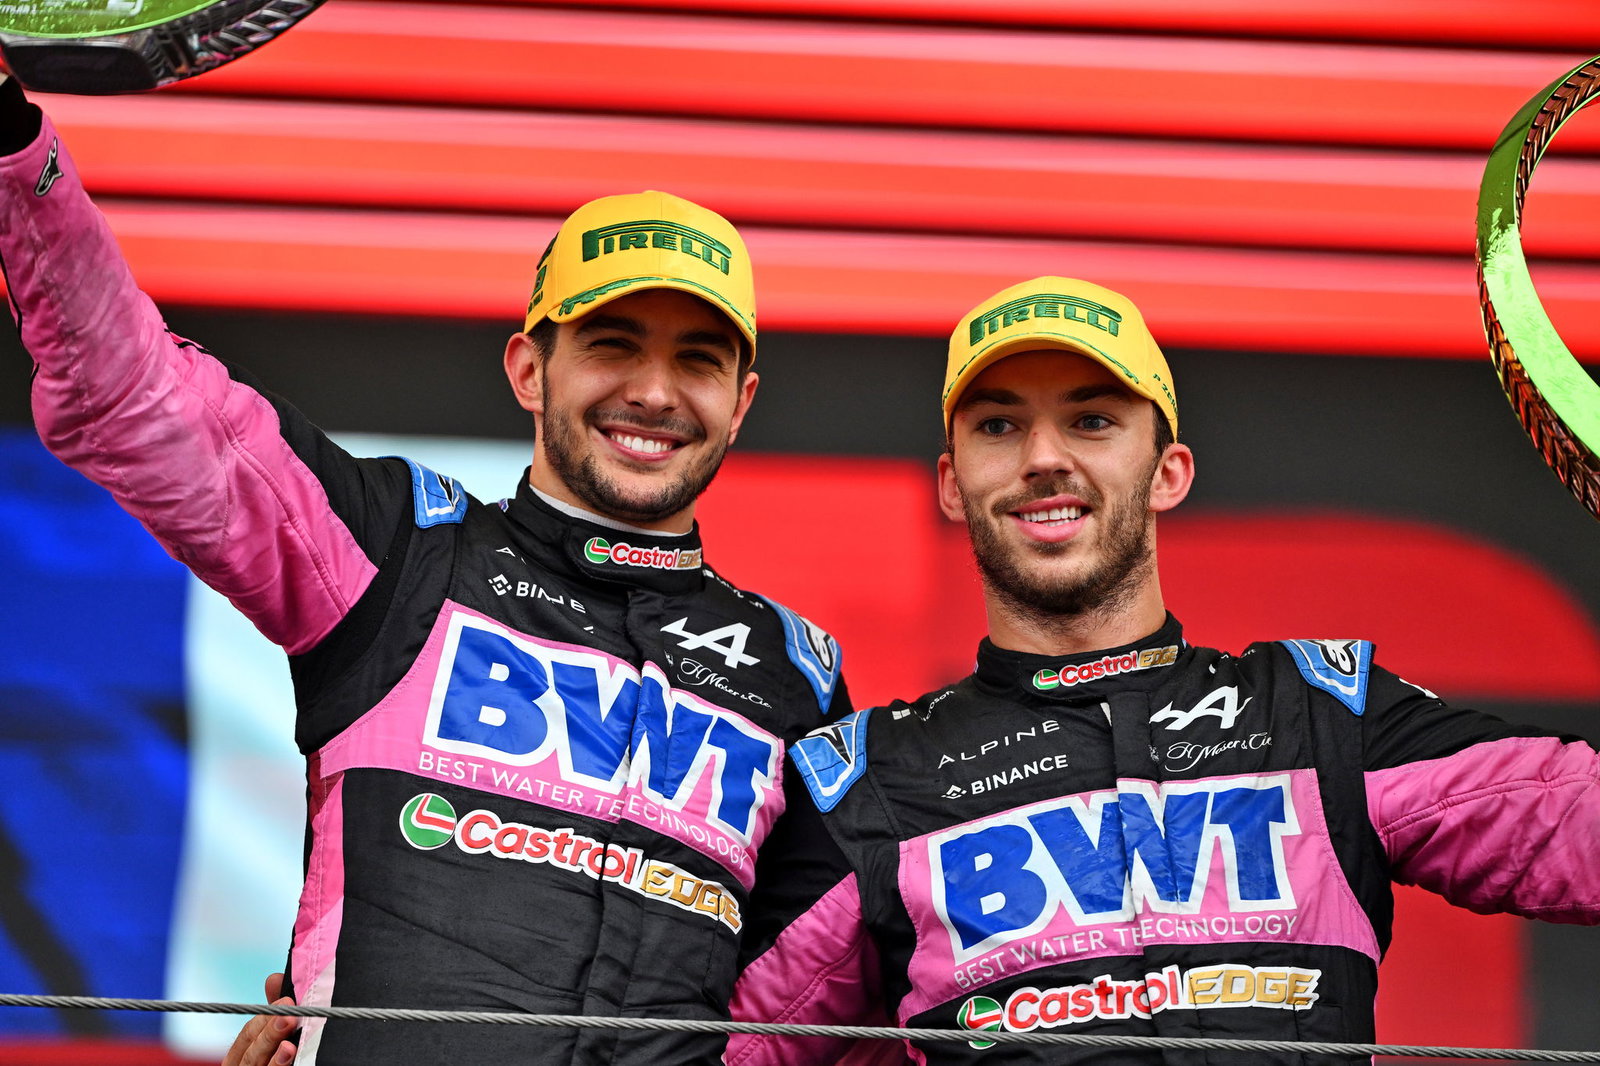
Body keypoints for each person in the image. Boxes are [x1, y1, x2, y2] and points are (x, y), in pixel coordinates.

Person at [0, 76, 853, 1066]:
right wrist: (19, 153)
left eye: (698, 360)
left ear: (741, 400)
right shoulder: (398, 549)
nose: (655, 391)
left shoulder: (795, 678)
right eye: (612, 344)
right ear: (529, 369)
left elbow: (819, 1009)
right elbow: (138, 399)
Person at [727, 276, 1600, 1065]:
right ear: (954, 486)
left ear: (1168, 472)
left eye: (1093, 420)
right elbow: (724, 1046)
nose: (1043, 456)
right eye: (1000, 425)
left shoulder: (1321, 710)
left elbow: (1575, 829)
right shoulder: (873, 780)